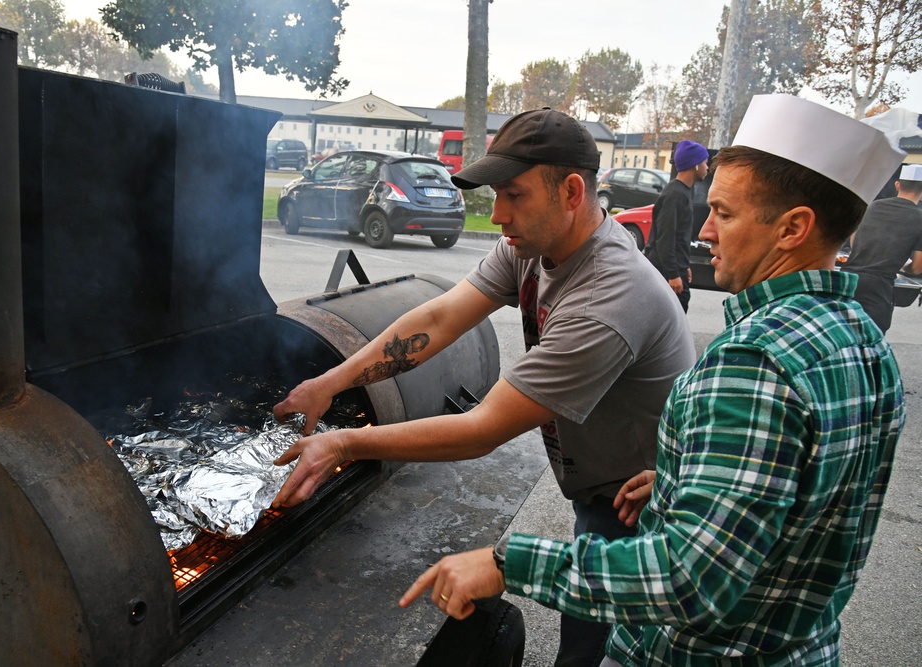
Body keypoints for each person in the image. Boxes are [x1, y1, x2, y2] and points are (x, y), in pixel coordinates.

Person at [400, 94, 906, 667]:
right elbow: (802, 495)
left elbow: (691, 579)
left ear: (793, 228)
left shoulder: (753, 362)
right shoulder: (864, 342)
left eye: (725, 213)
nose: (707, 232)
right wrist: (684, 475)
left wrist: (506, 563)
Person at [271, 108, 696, 667]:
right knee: (584, 638)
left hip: (644, 506)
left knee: (605, 653)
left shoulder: (610, 294)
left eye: (513, 195)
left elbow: (481, 430)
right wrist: (331, 381)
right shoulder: (535, 245)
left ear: (571, 191)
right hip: (601, 489)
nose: (497, 215)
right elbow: (443, 317)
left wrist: (345, 443)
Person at [842, 163, 922, 333]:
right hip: (878, 288)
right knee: (871, 341)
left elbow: (853, 243)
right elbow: (917, 267)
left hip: (847, 280)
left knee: (842, 336)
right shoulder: (920, 218)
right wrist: (902, 267)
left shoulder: (871, 207)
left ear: (897, 185)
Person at [643, 139, 709, 312]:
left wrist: (684, 266)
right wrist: (673, 274)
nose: (707, 167)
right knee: (671, 320)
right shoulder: (675, 194)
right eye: (705, 162)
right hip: (665, 271)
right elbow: (665, 237)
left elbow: (680, 236)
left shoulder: (683, 191)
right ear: (695, 165)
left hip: (675, 268)